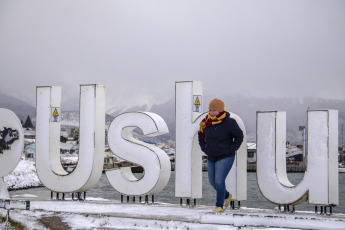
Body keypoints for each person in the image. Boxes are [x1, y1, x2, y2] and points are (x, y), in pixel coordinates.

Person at [198, 98, 243, 212]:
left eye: (215, 110)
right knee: (213, 182)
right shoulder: (206, 122)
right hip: (211, 156)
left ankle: (219, 205)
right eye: (211, 110)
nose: (212, 112)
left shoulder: (229, 122)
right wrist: (204, 148)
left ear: (221, 110)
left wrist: (231, 149)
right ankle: (227, 195)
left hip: (226, 156)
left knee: (219, 180)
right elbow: (201, 134)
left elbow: (239, 136)